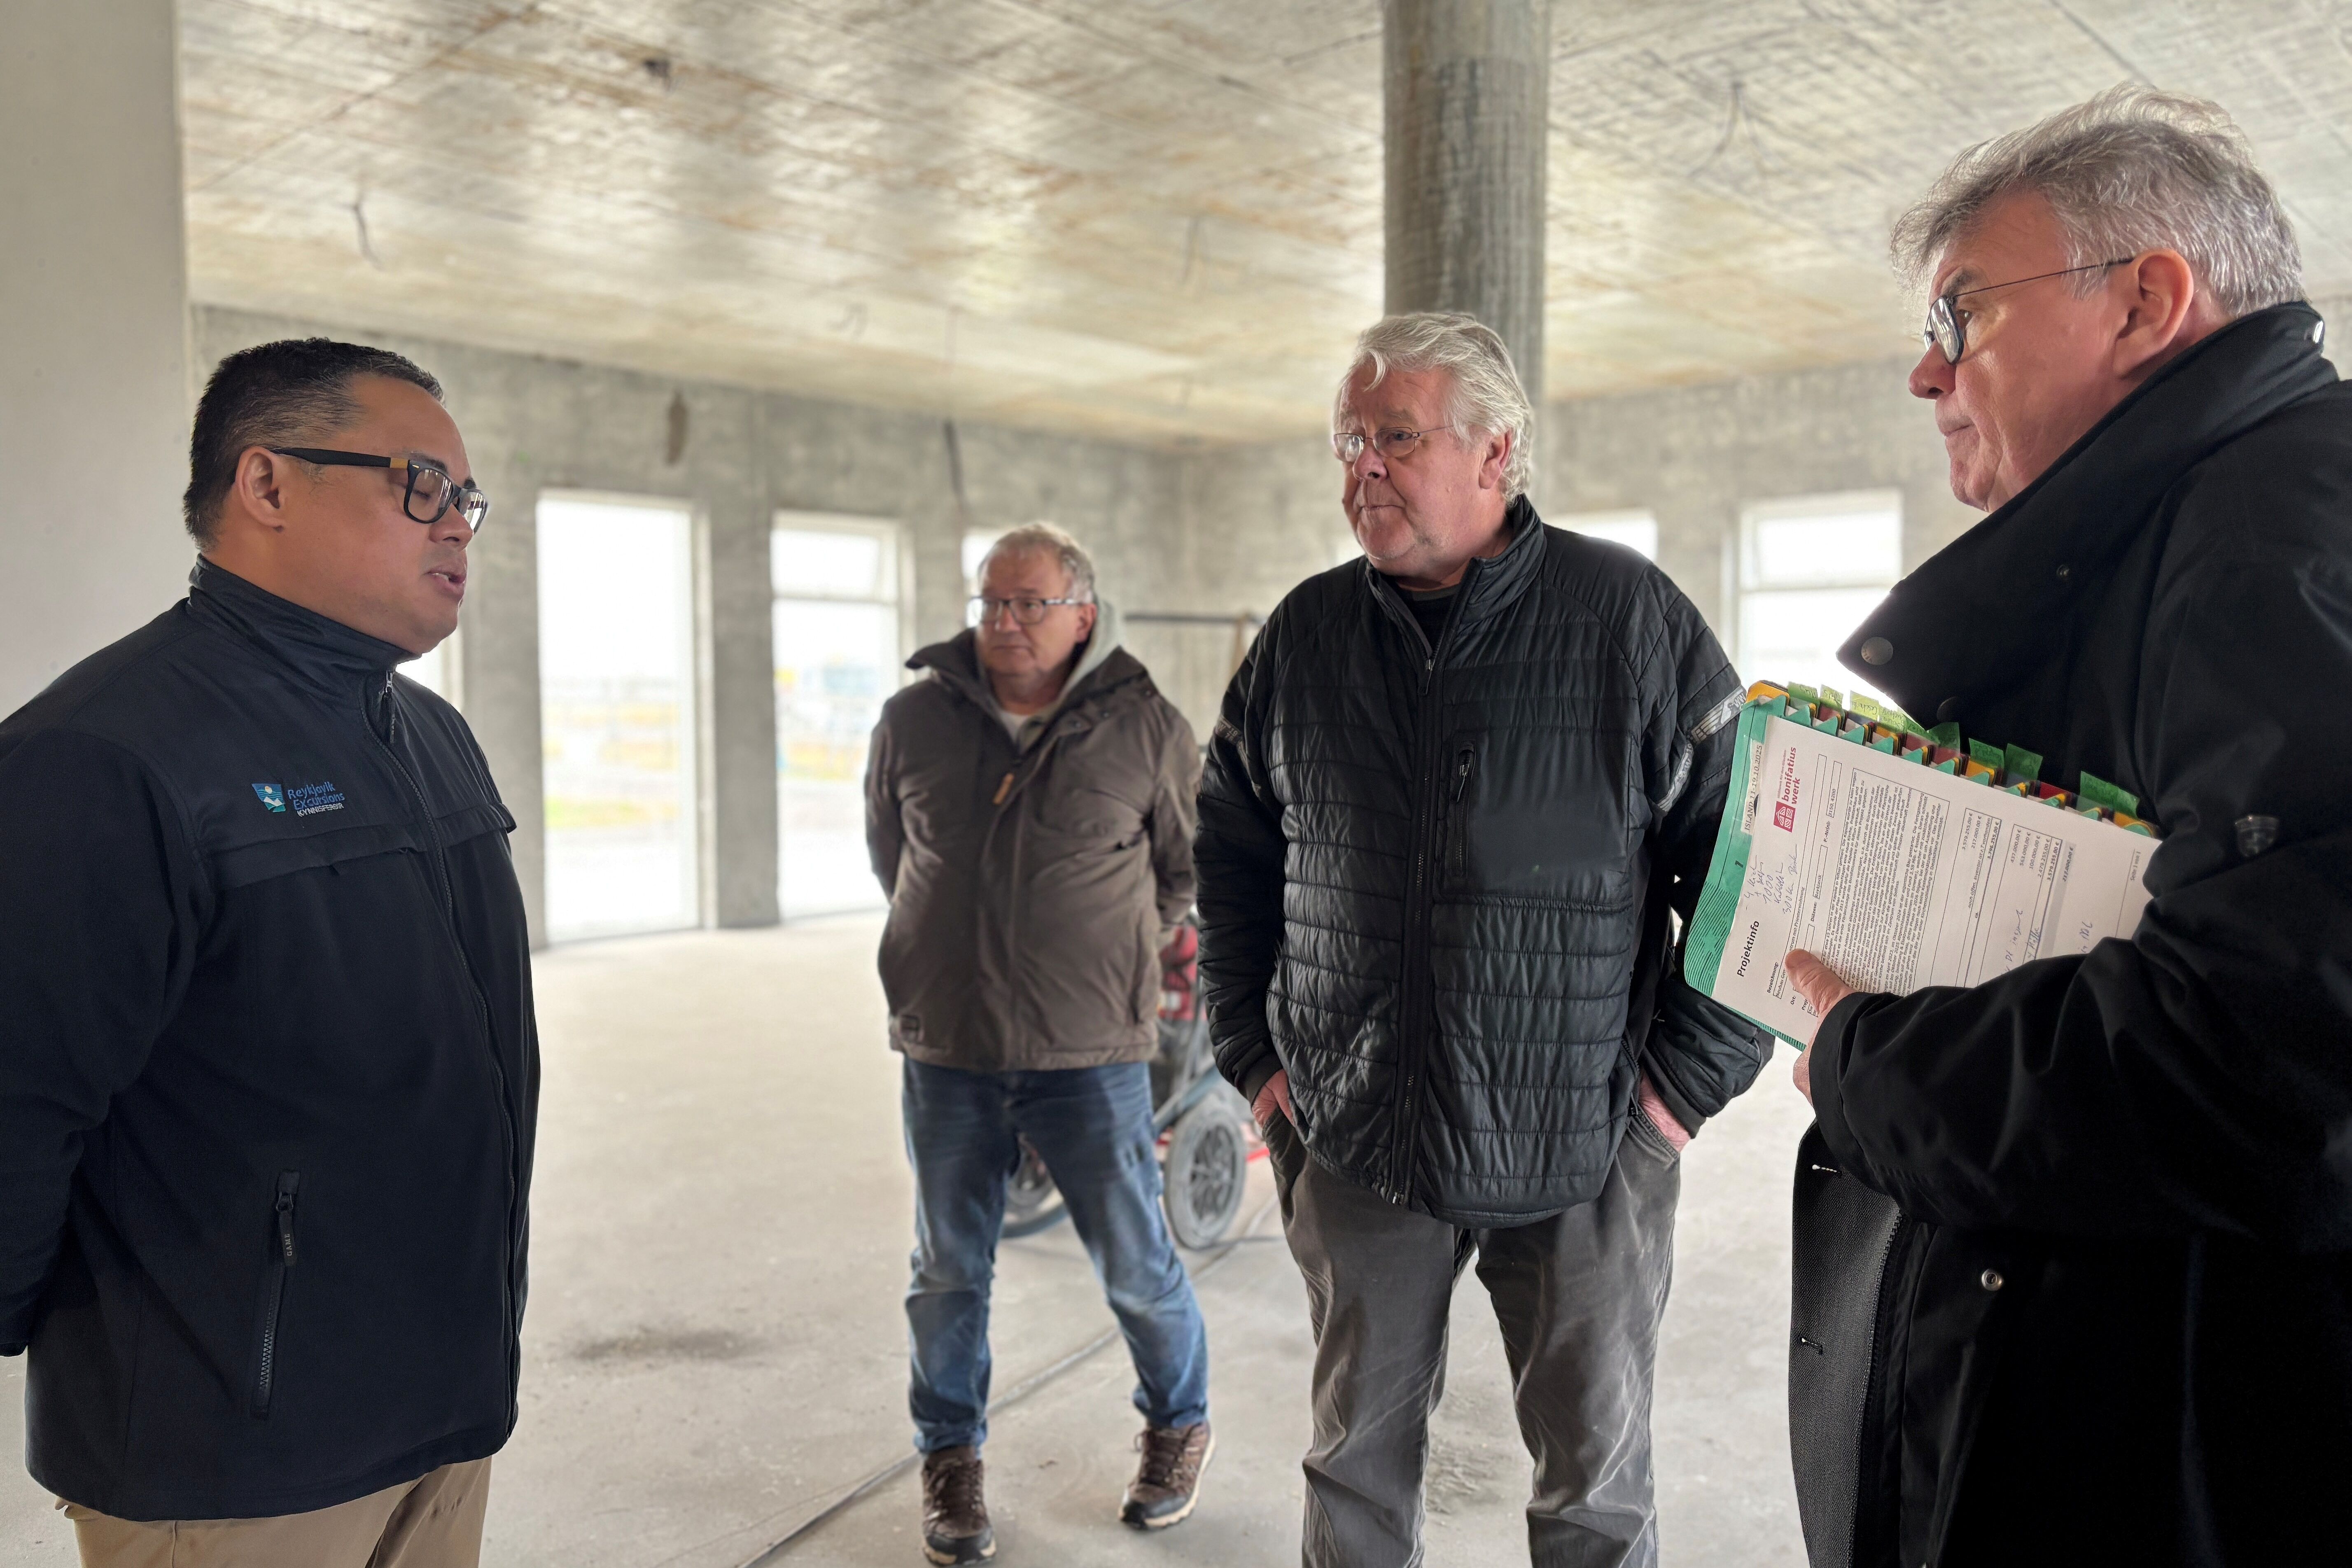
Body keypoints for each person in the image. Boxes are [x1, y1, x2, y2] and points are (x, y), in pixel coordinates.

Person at [1783, 86, 2352, 1566]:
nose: (1925, 371)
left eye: (1961, 311)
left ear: (2147, 300)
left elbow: (2266, 1054)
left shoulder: (2275, 545)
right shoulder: (2185, 534)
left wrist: (1871, 1055)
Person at [1194, 312, 1771, 1568]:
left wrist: (1670, 1101)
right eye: (1349, 442)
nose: (1364, 470)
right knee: (1353, 1470)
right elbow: (1230, 856)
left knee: (1595, 1492)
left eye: (1395, 438)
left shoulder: (1630, 621)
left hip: (1584, 1143)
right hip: (1355, 1134)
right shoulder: (1304, 639)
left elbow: (1751, 880)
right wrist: (1259, 1061)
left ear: (1496, 451)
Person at [0, 338, 536, 1566]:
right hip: (232, 1460)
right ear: (268, 484)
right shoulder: (105, 757)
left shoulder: (432, 736)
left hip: (442, 1412)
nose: (459, 526)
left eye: (468, 498)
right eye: (422, 486)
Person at [863, 523, 1211, 1564]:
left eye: (1028, 603)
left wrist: (1107, 953)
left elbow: (1184, 870)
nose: (1005, 622)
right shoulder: (914, 719)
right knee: (948, 1273)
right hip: (950, 1044)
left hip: (1090, 1052)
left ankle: (1177, 1424)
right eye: (991, 602)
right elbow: (896, 853)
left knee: (1137, 1264)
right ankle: (951, 1459)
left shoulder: (1146, 726)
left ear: (1083, 615)